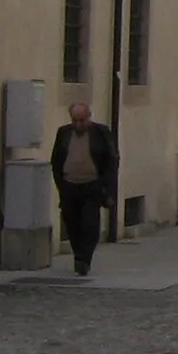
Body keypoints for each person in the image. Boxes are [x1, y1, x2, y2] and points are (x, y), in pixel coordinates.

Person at [49, 101, 118, 277]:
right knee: (71, 222)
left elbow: (111, 160)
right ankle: (78, 253)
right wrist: (61, 185)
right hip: (69, 185)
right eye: (75, 120)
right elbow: (56, 159)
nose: (78, 124)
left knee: (90, 224)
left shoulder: (100, 132)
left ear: (89, 117)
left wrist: (107, 189)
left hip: (92, 185)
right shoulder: (63, 133)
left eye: (82, 120)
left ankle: (84, 259)